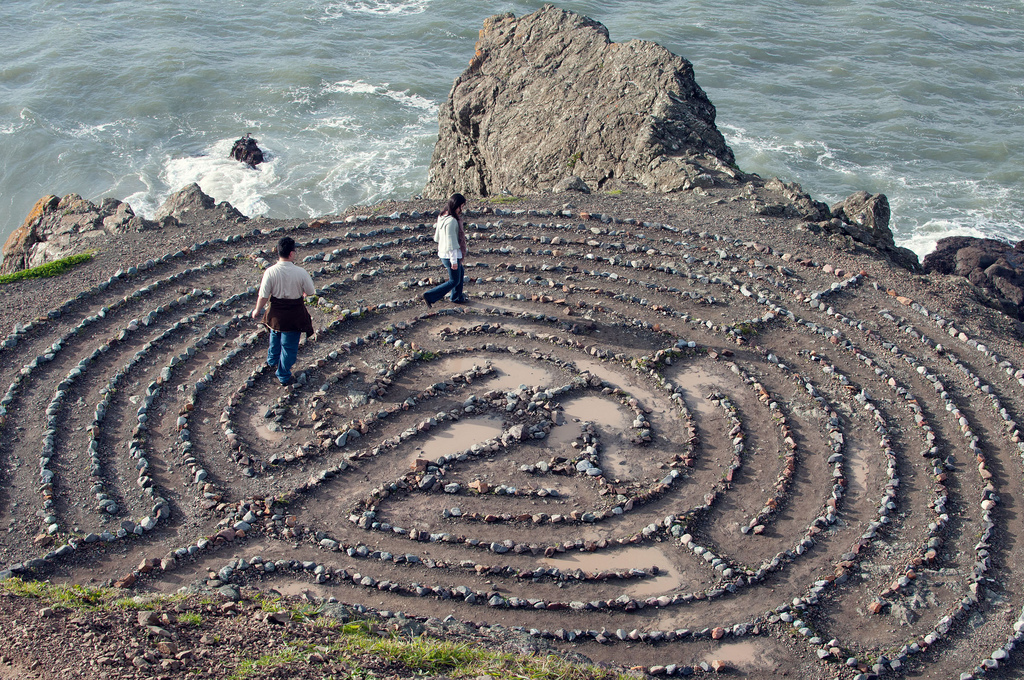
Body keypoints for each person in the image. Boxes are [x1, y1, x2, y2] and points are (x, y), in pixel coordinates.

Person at [251, 236, 316, 385]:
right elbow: (311, 291)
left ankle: (272, 360)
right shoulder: (301, 272)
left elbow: (263, 296)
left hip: (275, 315)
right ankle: (283, 374)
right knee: (289, 347)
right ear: (291, 254)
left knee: (275, 336)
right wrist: (303, 292)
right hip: (294, 316)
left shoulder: (270, 272)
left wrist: (257, 310)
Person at [422, 193, 469, 308]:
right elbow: (452, 242)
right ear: (456, 205)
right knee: (454, 281)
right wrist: (453, 261)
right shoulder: (452, 221)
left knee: (460, 273)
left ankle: (457, 297)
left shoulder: (442, 216)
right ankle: (429, 296)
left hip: (443, 253)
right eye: (461, 206)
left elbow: (437, 237)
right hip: (451, 255)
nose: (461, 209)